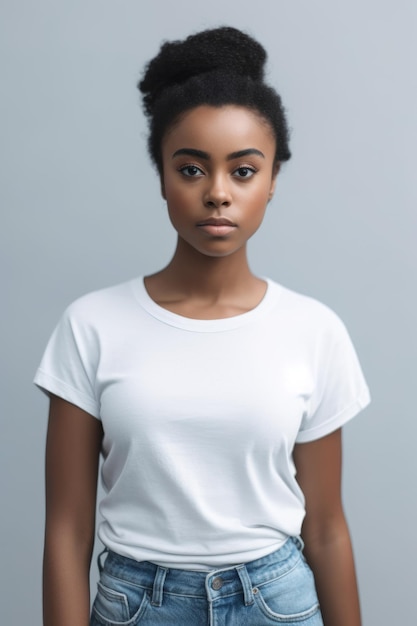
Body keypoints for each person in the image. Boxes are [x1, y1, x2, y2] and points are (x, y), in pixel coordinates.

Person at [35, 26, 370, 626]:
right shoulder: (91, 326)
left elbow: (325, 527)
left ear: (271, 184)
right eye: (192, 170)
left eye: (243, 171)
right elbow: (66, 530)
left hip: (278, 601)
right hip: (137, 604)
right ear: (162, 178)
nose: (218, 194)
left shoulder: (314, 330)